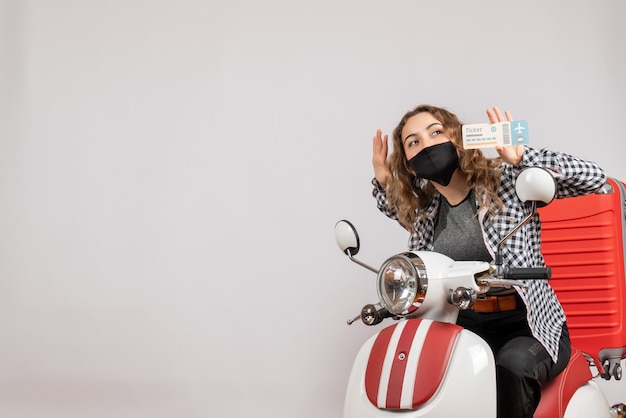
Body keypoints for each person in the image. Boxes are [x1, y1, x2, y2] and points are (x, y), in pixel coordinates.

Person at [370, 104, 607, 418]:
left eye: (436, 132)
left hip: (527, 324)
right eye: (413, 142)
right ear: (411, 166)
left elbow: (595, 179)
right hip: (461, 321)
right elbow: (395, 205)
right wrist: (385, 181)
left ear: (458, 139)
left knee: (512, 366)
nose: (427, 145)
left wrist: (523, 159)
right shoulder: (425, 211)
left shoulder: (505, 182)